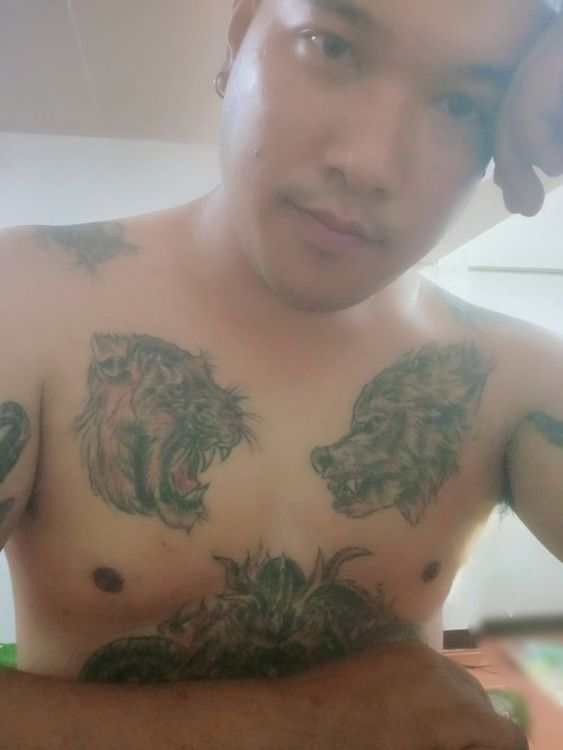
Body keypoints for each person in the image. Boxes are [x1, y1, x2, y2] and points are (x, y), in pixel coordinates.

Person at [0, 0, 562, 747]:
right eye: (331, 45)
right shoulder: (25, 301)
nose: (368, 162)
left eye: (462, 104)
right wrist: (308, 720)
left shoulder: (508, 377)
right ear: (239, 37)